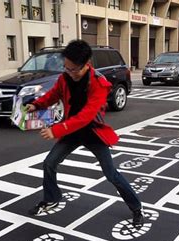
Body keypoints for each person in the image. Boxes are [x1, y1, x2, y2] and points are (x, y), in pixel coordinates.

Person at [25, 39, 144, 225]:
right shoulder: (64, 78)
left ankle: (136, 207)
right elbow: (52, 95)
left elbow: (85, 117)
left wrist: (56, 130)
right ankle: (51, 198)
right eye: (66, 68)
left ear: (85, 65)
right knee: (49, 163)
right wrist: (36, 105)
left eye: (73, 69)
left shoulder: (99, 83)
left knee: (111, 173)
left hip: (92, 133)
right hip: (72, 133)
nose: (69, 72)